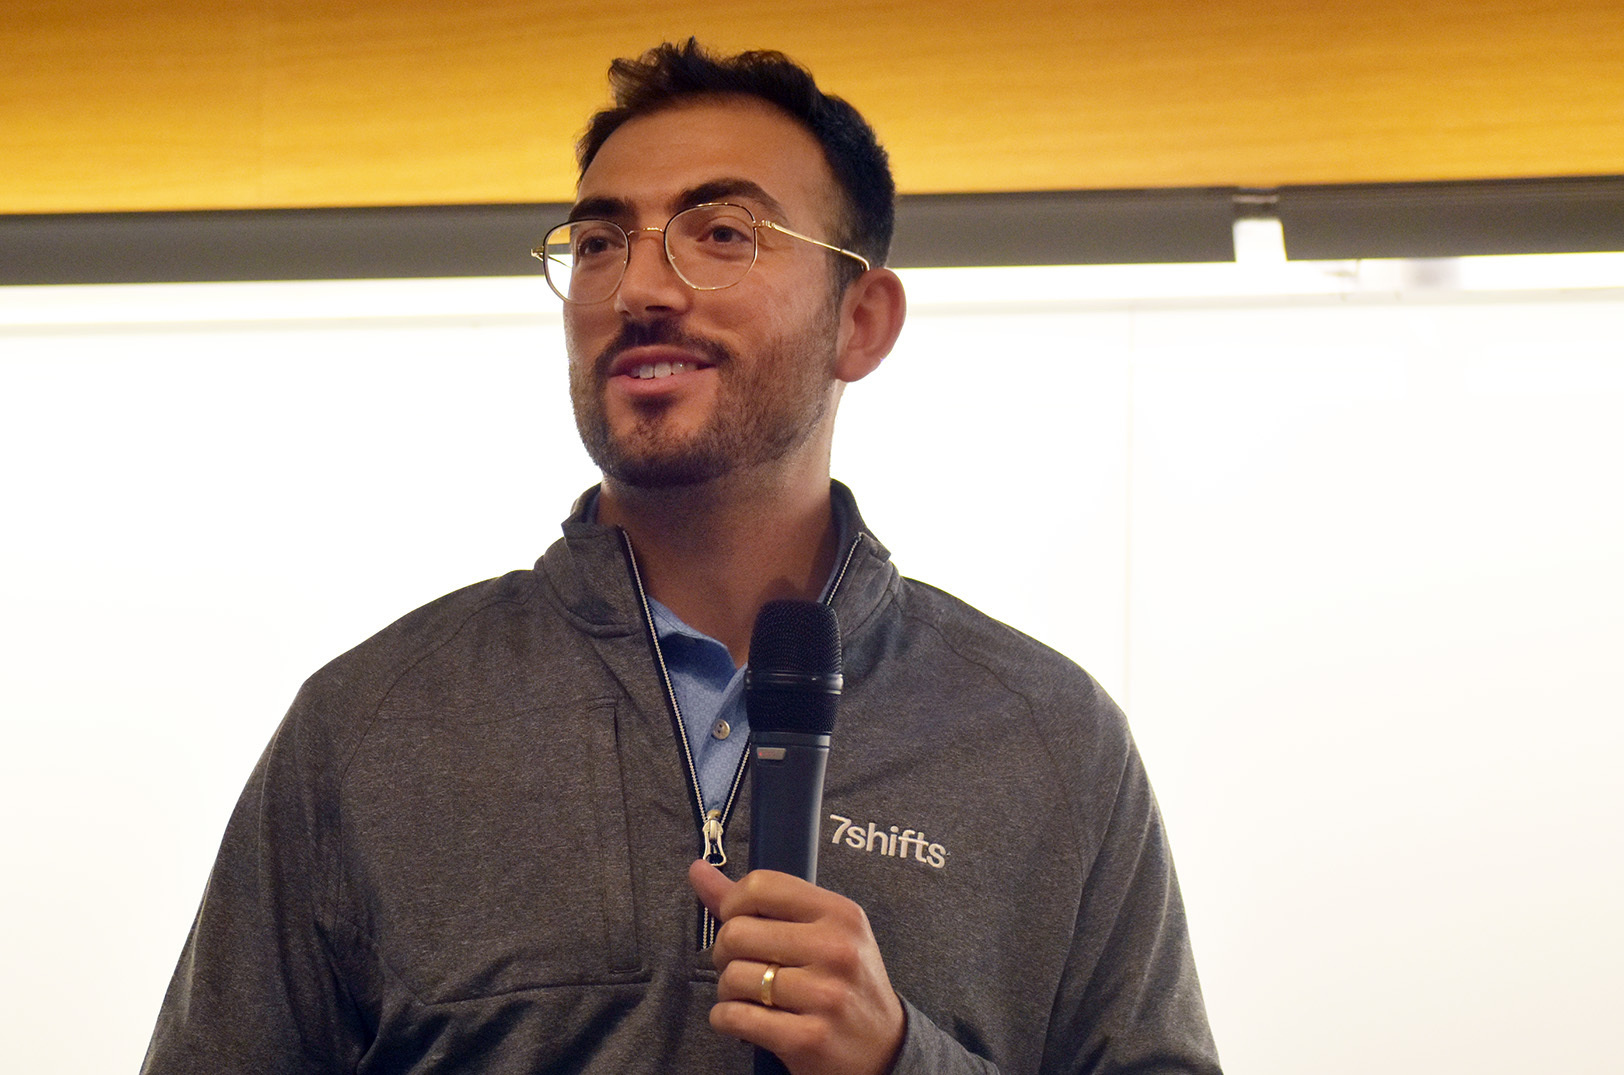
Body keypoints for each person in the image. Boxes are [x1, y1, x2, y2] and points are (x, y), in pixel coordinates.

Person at [142, 40, 1221, 1075]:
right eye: (601, 242)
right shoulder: (372, 723)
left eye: (720, 234)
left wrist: (898, 1058)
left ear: (863, 320)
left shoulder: (1044, 737)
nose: (640, 289)